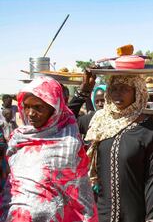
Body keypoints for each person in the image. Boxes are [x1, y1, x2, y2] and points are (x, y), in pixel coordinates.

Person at [0, 76, 97, 221]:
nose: (31, 113)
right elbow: (11, 181)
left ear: (54, 108)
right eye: (26, 106)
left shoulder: (68, 143)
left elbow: (79, 194)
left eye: (38, 107)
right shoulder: (18, 138)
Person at [85, 75, 153, 222]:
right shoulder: (100, 121)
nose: (118, 93)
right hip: (102, 213)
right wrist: (83, 91)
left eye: (125, 89)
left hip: (134, 214)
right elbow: (65, 119)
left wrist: (152, 218)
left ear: (137, 92)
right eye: (114, 89)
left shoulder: (148, 128)